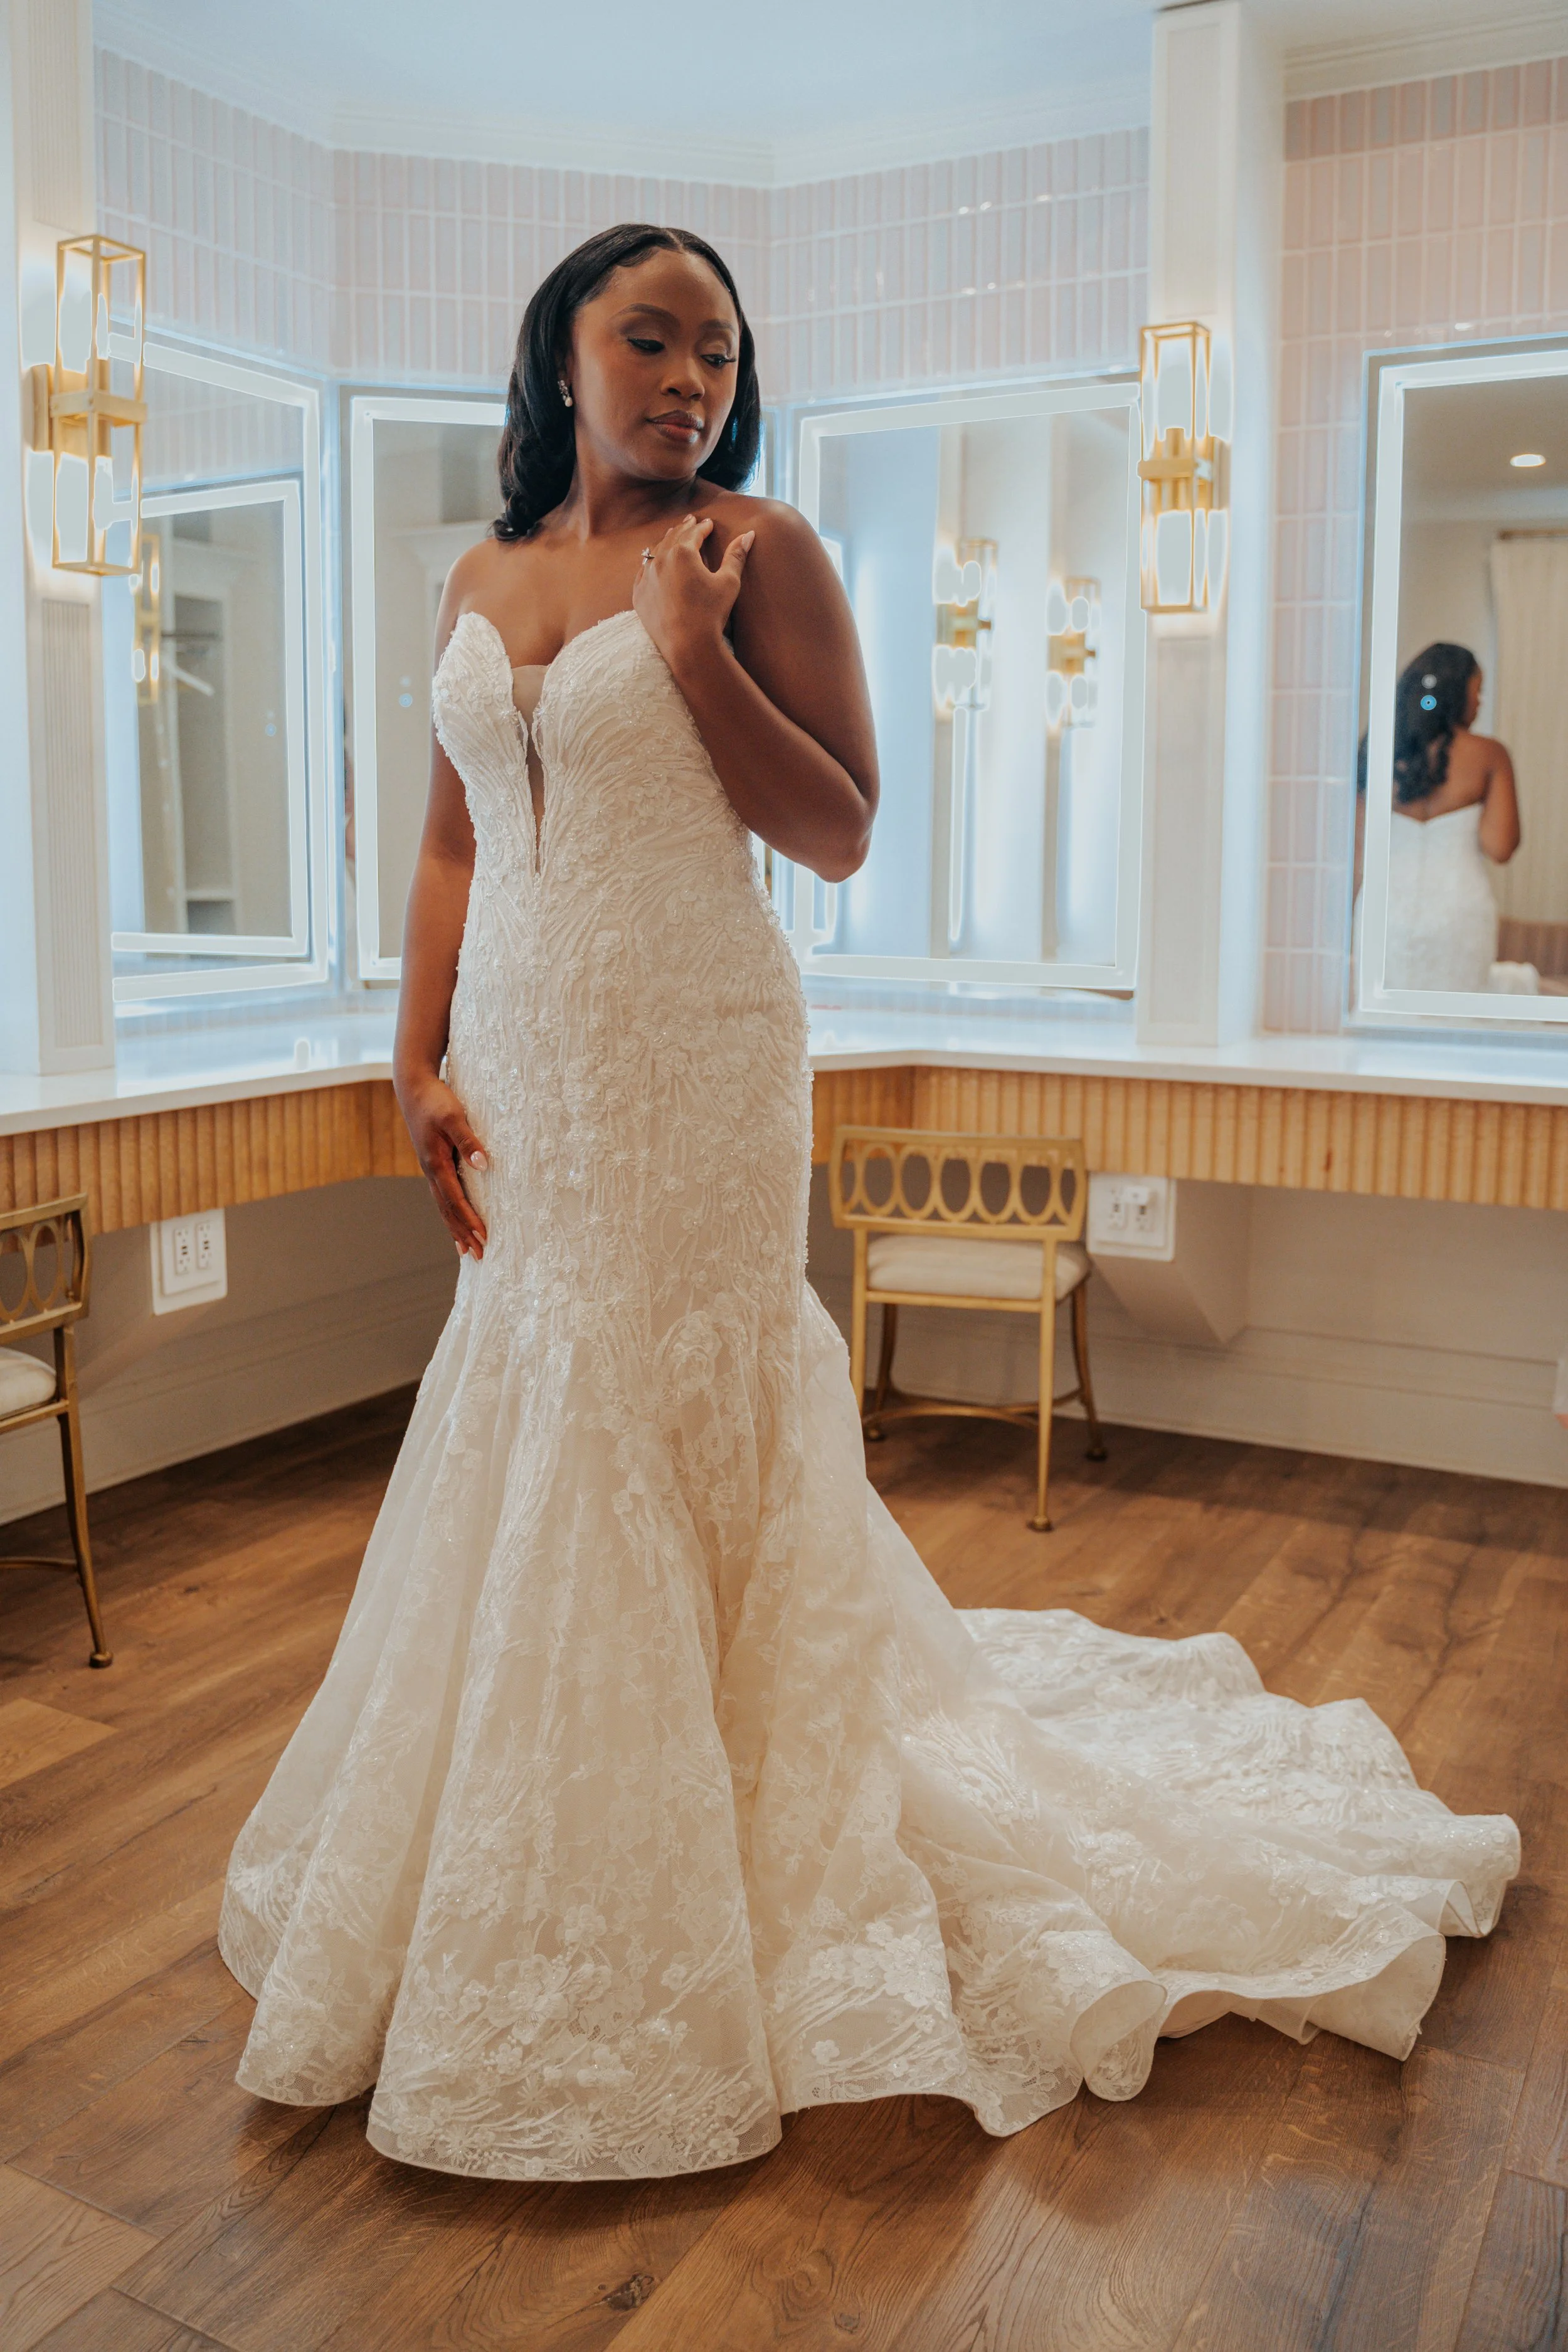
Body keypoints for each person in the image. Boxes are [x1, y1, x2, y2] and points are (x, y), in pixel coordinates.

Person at [219, 226, 1518, 2182]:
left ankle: (741, 1852)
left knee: (676, 1398)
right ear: (557, 359)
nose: (686, 377)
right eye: (646, 338)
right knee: (535, 1395)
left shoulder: (761, 552)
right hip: (528, 1077)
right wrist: (413, 1064)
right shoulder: (475, 580)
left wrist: (681, 654)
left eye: (719, 351)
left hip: (699, 1056)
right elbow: (441, 846)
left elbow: (832, 823)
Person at [1354, 640, 1532, 992]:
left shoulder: (1377, 750)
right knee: (1455, 1031)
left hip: (1384, 912)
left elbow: (1359, 853)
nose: (1480, 702)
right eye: (1477, 691)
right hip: (1459, 913)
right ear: (1456, 693)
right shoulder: (1489, 755)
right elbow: (1500, 848)